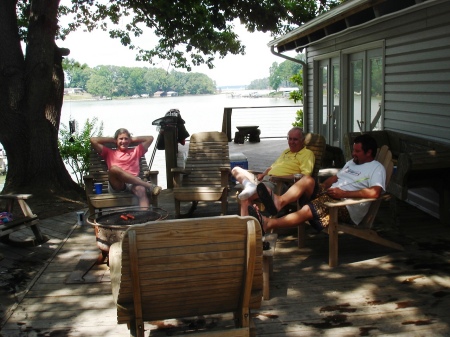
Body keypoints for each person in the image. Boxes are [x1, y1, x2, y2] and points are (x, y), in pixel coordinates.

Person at [249, 134, 386, 234]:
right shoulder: (352, 163)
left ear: (369, 152)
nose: (353, 154)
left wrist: (343, 193)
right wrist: (322, 187)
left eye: (357, 151)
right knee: (308, 180)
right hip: (332, 194)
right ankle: (279, 201)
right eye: (353, 150)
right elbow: (335, 178)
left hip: (345, 205)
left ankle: (269, 223)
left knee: (308, 209)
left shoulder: (376, 168)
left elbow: (375, 192)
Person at [231, 127, 315, 215]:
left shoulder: (307, 154)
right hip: (265, 179)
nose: (291, 142)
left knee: (246, 197)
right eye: (290, 139)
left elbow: (304, 176)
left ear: (303, 140)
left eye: (295, 139)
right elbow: (273, 167)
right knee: (236, 169)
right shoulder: (286, 152)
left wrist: (278, 177)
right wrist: (263, 174)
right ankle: (250, 186)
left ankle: (248, 225)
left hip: (278, 183)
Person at [90, 128, 162, 208]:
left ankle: (145, 217)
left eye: (126, 139)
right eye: (121, 139)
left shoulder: (136, 151)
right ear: (116, 141)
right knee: (114, 169)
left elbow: (150, 138)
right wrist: (113, 140)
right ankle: (149, 186)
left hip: (133, 183)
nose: (123, 141)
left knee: (141, 190)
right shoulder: (109, 152)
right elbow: (93, 140)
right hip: (117, 184)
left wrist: (131, 139)